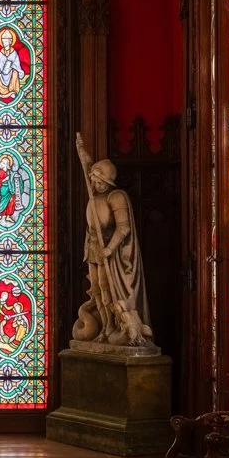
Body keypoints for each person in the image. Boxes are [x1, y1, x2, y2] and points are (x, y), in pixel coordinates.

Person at [73, 134, 153, 346]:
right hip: (93, 245)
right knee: (97, 290)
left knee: (107, 288)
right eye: (95, 181)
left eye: (101, 182)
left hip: (112, 251)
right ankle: (105, 326)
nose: (97, 184)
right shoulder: (94, 193)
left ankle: (116, 326)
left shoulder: (116, 197)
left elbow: (123, 227)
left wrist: (109, 248)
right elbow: (87, 166)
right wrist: (81, 150)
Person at [0, 28, 27, 100]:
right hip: (2, 74)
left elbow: (17, 65)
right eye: (3, 41)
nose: (4, 43)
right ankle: (1, 92)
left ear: (10, 42)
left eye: (5, 41)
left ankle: (12, 91)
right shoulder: (1, 52)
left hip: (10, 73)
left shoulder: (14, 53)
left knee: (15, 73)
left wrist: (10, 67)